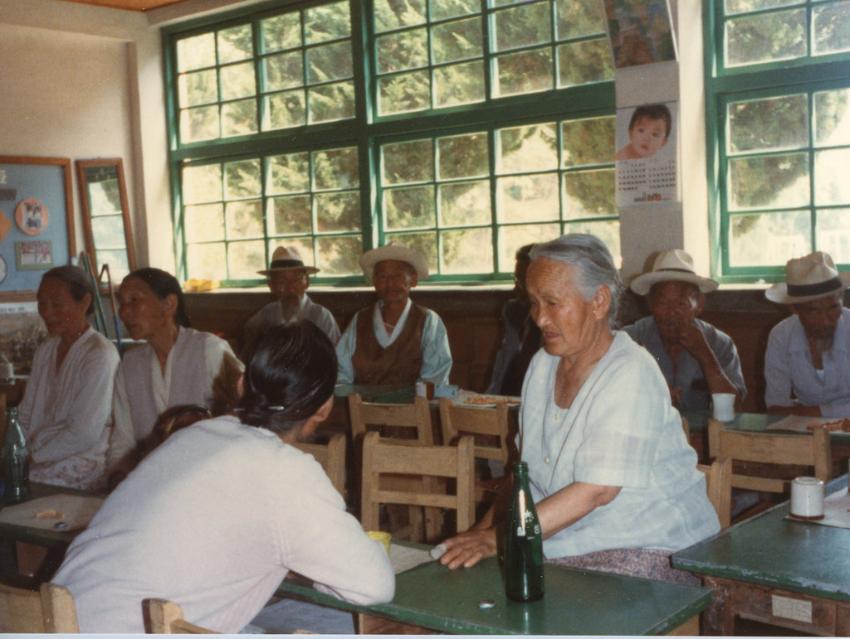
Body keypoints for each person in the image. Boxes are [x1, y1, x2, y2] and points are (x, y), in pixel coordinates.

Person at [53, 322, 394, 633]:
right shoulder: (287, 472)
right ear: (324, 408)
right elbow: (375, 586)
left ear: (241, 385)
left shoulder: (190, 437)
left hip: (55, 620)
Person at [439, 234, 718, 581]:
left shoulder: (629, 371)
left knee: (540, 604)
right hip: (568, 540)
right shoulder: (542, 365)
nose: (539, 318)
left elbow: (597, 490)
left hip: (654, 546)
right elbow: (523, 475)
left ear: (598, 301)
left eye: (552, 303)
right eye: (534, 303)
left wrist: (498, 538)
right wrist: (479, 533)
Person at [106, 267, 242, 482]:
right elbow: (122, 439)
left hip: (208, 475)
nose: (123, 312)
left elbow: (242, 419)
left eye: (134, 300)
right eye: (121, 302)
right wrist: (118, 477)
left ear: (169, 304)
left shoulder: (208, 349)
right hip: (150, 479)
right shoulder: (130, 364)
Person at [18, 266, 119, 490]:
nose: (47, 312)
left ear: (84, 302)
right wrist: (15, 452)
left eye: (56, 304)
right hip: (38, 457)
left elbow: (84, 434)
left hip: (81, 461)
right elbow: (25, 414)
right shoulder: (46, 350)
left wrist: (30, 458)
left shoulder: (99, 354)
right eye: (42, 303)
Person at [624, 249, 745, 411]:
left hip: (703, 428)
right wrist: (651, 393)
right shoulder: (630, 339)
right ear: (650, 303)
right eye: (663, 303)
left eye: (681, 303)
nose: (671, 312)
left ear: (699, 304)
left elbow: (734, 407)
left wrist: (705, 356)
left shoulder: (720, 343)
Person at [336, 243, 452, 385]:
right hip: (362, 400)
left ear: (413, 280)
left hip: (415, 400)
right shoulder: (360, 319)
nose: (390, 284)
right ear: (374, 282)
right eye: (382, 277)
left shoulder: (428, 321)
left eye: (398, 276)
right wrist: (349, 394)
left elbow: (434, 378)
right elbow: (341, 371)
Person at [764, 251, 850, 417]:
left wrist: (813, 412)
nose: (825, 321)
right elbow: (776, 406)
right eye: (814, 311)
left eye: (833, 307)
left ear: (842, 300)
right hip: (805, 426)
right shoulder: (781, 336)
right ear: (795, 309)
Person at [242, 246, 340, 359]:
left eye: (297, 280)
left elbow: (335, 360)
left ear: (307, 282)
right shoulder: (264, 316)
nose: (290, 289)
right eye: (281, 282)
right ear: (271, 286)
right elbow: (248, 356)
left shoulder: (322, 317)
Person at [487, 244, 541, 396]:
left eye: (522, 281)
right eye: (516, 279)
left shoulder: (552, 323)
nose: (515, 288)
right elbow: (503, 362)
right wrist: (490, 398)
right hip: (508, 398)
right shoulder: (513, 311)